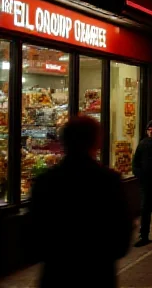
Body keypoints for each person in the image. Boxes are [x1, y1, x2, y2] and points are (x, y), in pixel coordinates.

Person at [30, 115, 132, 287]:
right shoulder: (108, 181)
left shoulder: (46, 181)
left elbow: (33, 233)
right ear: (96, 143)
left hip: (56, 274)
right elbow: (122, 233)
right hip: (97, 273)